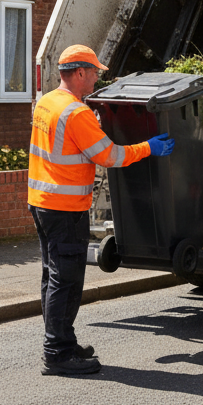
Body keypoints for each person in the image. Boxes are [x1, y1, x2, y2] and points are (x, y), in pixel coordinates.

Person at [28, 44, 175, 376]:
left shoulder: (47, 102)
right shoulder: (76, 113)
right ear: (79, 73)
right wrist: (148, 148)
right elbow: (109, 156)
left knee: (53, 278)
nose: (96, 78)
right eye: (94, 72)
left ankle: (61, 340)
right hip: (65, 208)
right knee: (65, 282)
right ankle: (58, 354)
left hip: (42, 202)